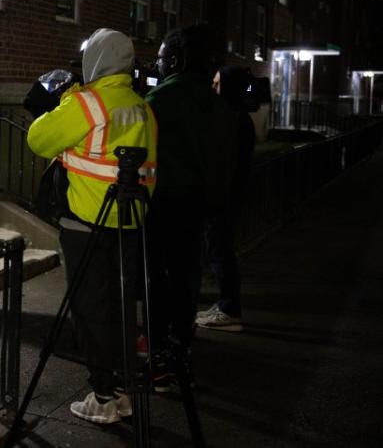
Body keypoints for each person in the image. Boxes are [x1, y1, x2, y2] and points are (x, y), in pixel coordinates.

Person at [27, 28, 157, 425]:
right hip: (131, 222)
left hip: (87, 221)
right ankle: (121, 387)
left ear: (94, 61)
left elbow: (38, 138)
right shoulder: (142, 106)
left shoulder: (88, 103)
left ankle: (103, 395)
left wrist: (67, 100)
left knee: (89, 309)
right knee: (120, 307)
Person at [144, 25, 235, 387]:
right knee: (186, 278)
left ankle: (160, 354)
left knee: (158, 281)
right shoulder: (220, 106)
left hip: (163, 204)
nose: (159, 64)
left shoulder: (159, 101)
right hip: (200, 206)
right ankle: (181, 346)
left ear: (177, 59)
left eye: (163, 57)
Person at [196, 66, 255, 331]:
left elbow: (224, 163)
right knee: (219, 250)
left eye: (218, 84)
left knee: (220, 252)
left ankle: (230, 310)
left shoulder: (233, 119)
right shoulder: (238, 117)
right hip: (228, 196)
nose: (213, 89)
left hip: (223, 198)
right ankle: (225, 305)